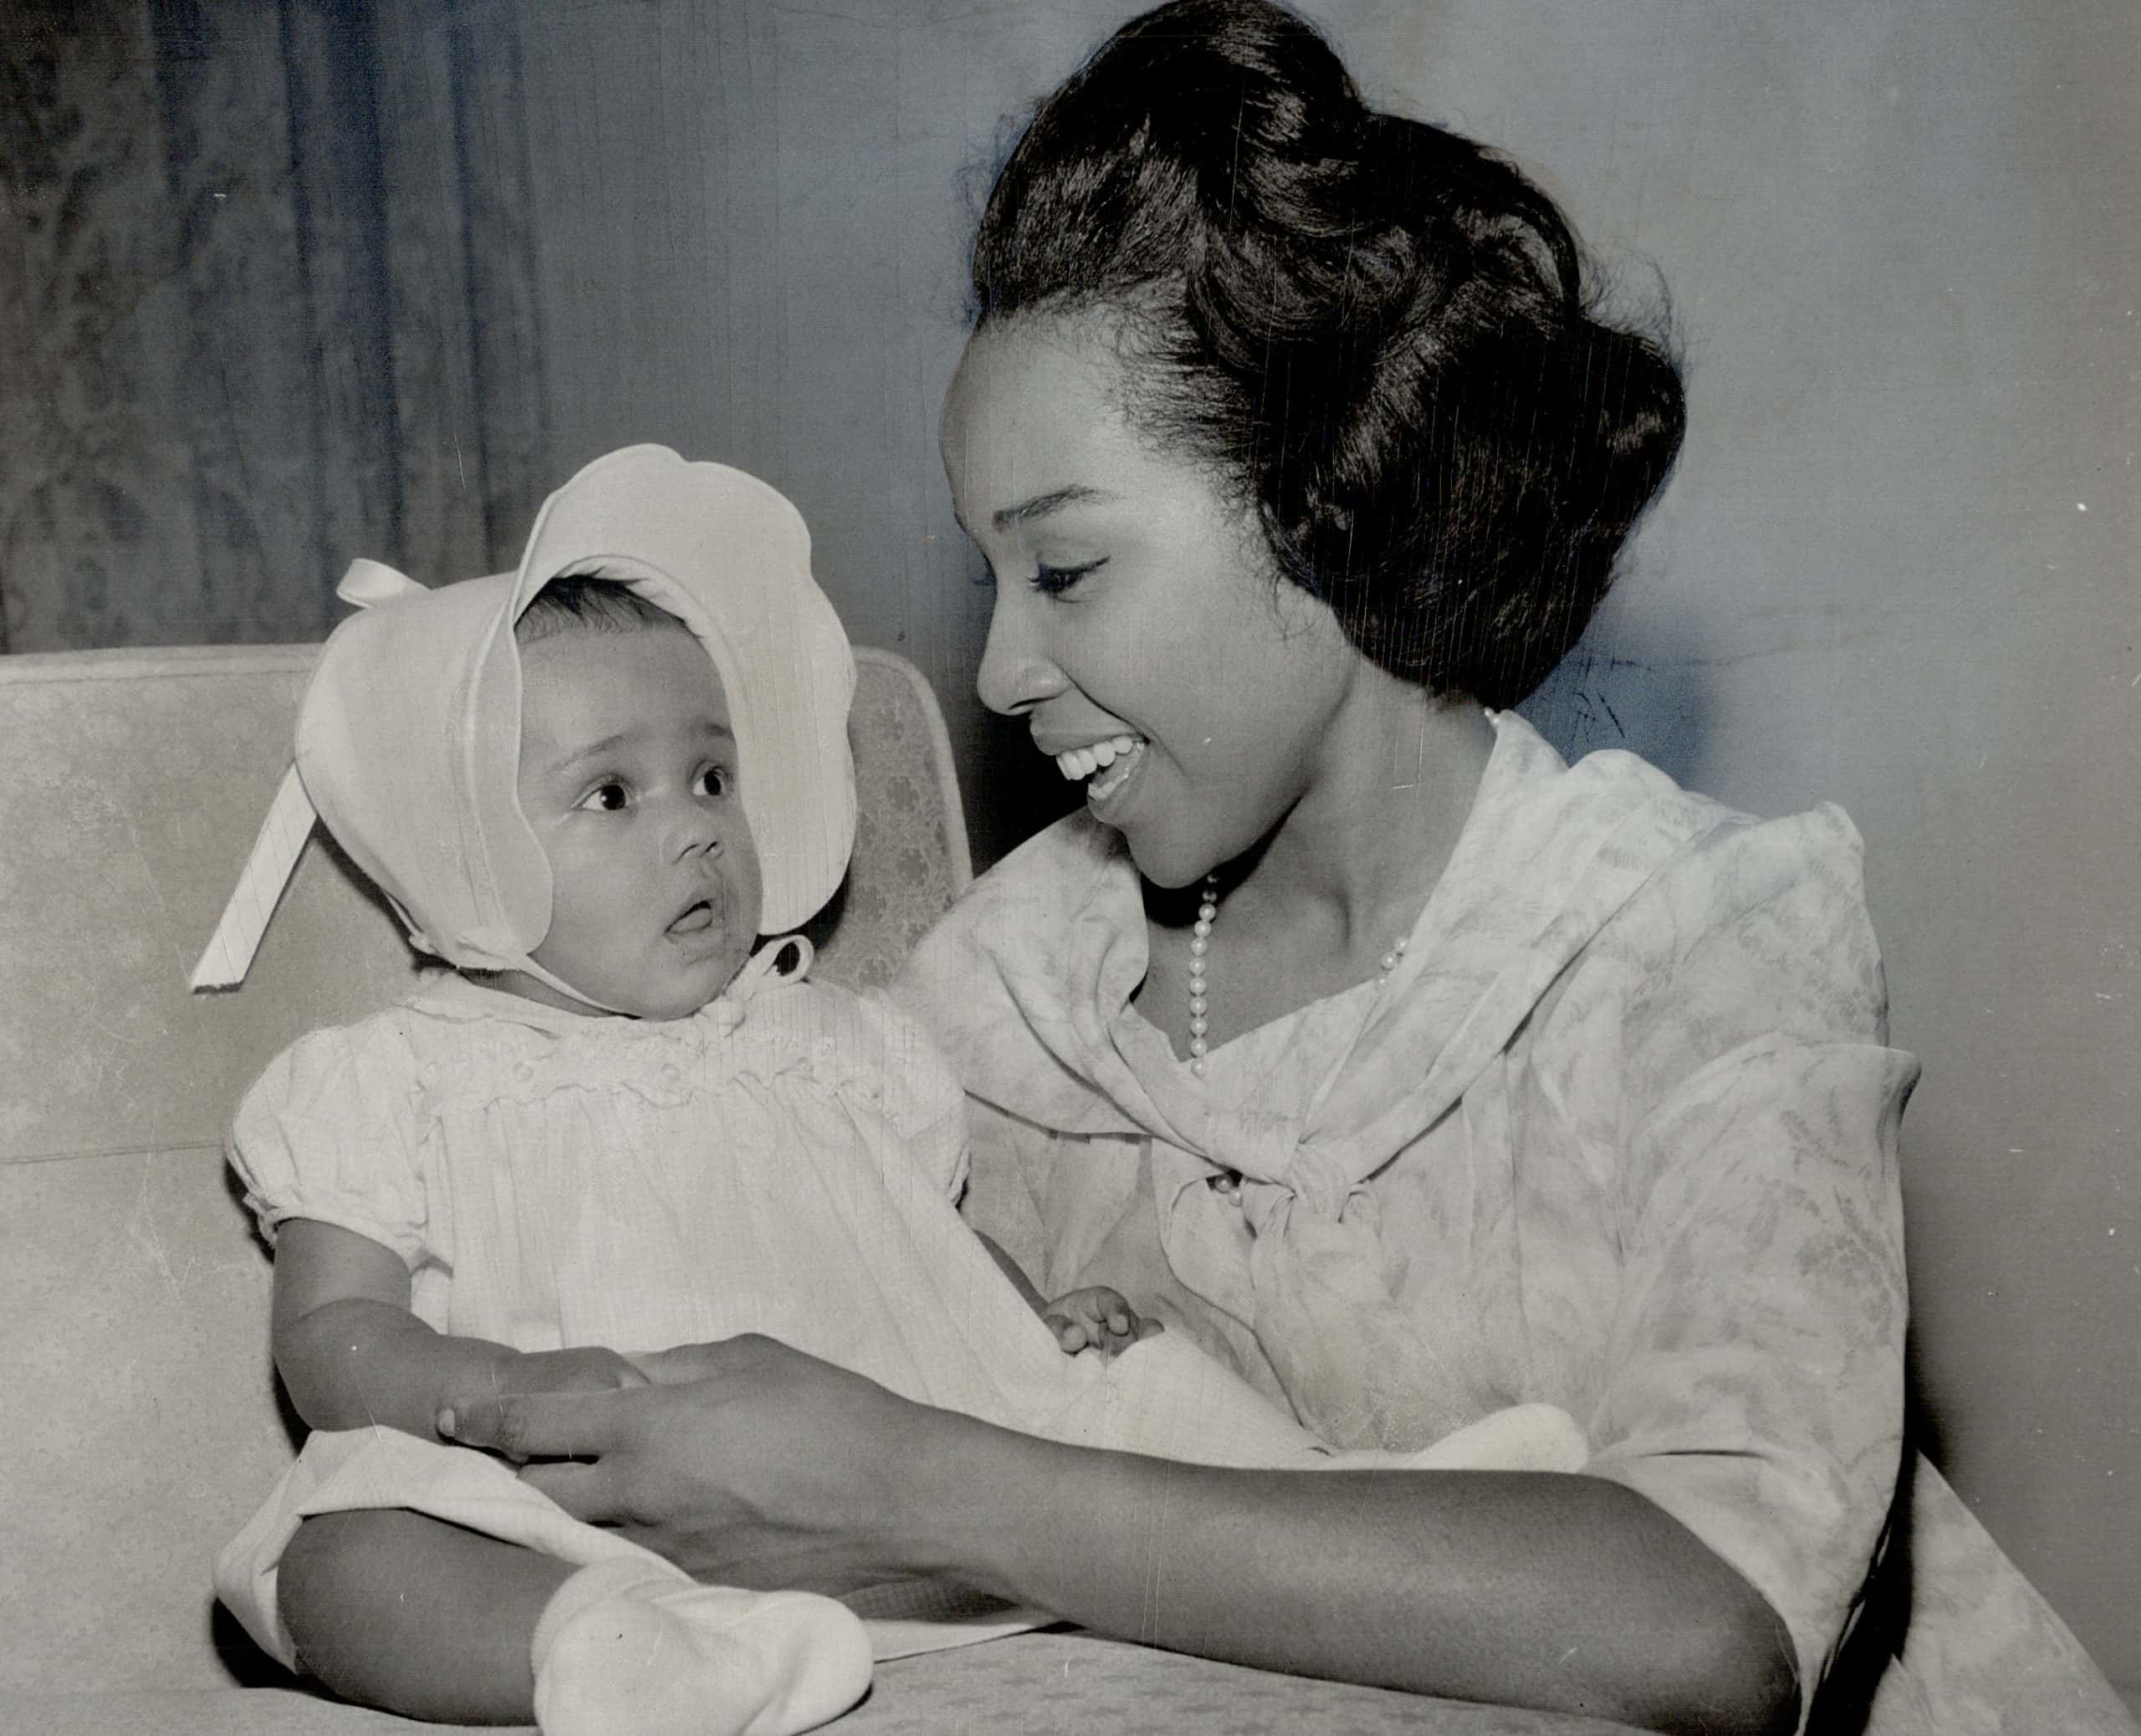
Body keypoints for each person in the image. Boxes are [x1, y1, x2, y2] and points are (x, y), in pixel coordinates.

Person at [434, 7, 1923, 1736]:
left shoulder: (1697, 940)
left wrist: (915, 1482)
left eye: (1062, 569)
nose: (994, 673)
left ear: (1324, 505)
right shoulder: (999, 995)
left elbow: (1706, 1624)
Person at [193, 443, 1588, 1736]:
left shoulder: (830, 1041)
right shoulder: (397, 1078)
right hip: (585, 1500)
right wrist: (483, 1395)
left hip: (916, 1498)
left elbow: (910, 1237)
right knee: (348, 1542)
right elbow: (328, 1336)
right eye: (610, 797)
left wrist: (1023, 1308)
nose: (691, 828)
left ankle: (1383, 1520)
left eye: (711, 775)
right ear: (457, 849)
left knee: (1138, 1402)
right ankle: (608, 1652)